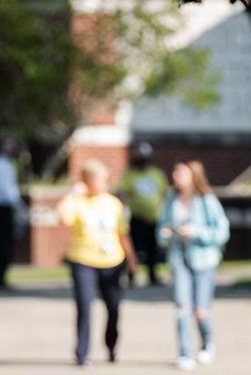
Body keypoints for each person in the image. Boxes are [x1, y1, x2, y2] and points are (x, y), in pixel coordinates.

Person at [57, 159, 138, 366]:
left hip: (111, 261)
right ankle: (81, 353)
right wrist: (73, 193)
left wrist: (131, 258)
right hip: (83, 260)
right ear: (87, 180)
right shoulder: (78, 202)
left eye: (104, 178)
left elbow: (122, 233)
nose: (104, 182)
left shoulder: (113, 203)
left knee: (113, 307)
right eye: (99, 179)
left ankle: (111, 346)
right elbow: (63, 217)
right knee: (84, 306)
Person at [157, 160, 229, 371]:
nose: (176, 177)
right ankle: (185, 352)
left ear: (193, 176)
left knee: (200, 309)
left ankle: (207, 342)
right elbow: (161, 230)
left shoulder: (206, 200)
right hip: (179, 258)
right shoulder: (171, 200)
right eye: (175, 173)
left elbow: (222, 232)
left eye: (181, 173)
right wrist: (167, 234)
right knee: (181, 307)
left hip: (204, 259)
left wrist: (196, 232)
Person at [120, 142, 168, 286]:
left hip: (154, 218)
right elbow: (123, 194)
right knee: (133, 248)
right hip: (137, 217)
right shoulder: (130, 175)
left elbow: (163, 192)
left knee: (153, 249)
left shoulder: (156, 174)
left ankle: (153, 276)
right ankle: (131, 275)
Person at [0, 137, 22, 290]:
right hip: (3, 208)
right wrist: (21, 208)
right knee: (4, 245)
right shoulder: (4, 166)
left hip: (6, 208)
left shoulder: (9, 165)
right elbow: (10, 191)